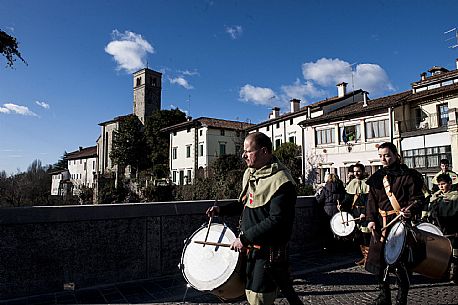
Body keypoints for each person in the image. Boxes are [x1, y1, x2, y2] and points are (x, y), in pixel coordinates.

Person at [206, 132, 303, 305]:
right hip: (250, 249)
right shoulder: (251, 174)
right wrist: (221, 210)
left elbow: (276, 220)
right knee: (254, 292)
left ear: (264, 151)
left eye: (248, 151)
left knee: (260, 297)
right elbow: (245, 204)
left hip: (268, 252)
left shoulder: (282, 182)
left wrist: (244, 238)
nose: (243, 155)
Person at [365, 142, 425, 305]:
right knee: (378, 262)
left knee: (401, 263)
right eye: (380, 156)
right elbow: (371, 201)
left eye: (387, 155)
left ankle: (401, 297)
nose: (383, 159)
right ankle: (384, 296)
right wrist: (370, 219)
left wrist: (410, 210)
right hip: (380, 225)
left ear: (395, 155)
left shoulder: (408, 175)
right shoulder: (376, 178)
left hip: (400, 224)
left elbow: (419, 199)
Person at [426, 173, 458, 283]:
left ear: (450, 184)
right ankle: (442, 273)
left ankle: (454, 275)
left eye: (443, 184)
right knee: (443, 254)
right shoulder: (436, 198)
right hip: (440, 229)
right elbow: (431, 213)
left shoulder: (455, 197)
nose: (441, 187)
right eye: (439, 184)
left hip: (453, 229)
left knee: (454, 254)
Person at [342, 163, 370, 266]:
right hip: (355, 213)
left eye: (358, 171)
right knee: (359, 237)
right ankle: (364, 256)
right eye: (354, 171)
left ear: (362, 171)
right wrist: (342, 205)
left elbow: (369, 201)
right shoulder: (352, 183)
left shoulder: (368, 183)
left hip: (366, 213)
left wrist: (364, 212)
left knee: (366, 236)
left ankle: (369, 258)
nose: (356, 173)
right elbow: (348, 198)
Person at [316, 172, 346, 251]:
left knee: (327, 229)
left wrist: (317, 195)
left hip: (327, 210)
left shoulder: (325, 188)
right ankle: (339, 246)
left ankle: (328, 246)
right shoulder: (340, 188)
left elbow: (319, 200)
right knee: (338, 228)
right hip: (337, 209)